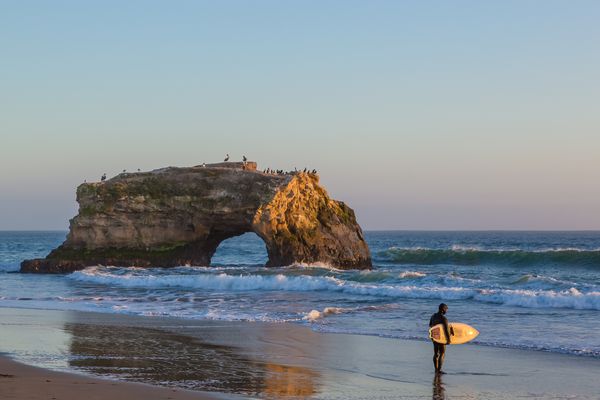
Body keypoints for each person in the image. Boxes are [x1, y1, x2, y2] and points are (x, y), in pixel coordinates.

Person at [429, 303, 451, 374]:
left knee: (436, 353)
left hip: (434, 336)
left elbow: (430, 325)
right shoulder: (443, 318)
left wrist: (432, 335)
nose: (446, 311)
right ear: (443, 309)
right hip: (441, 337)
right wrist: (448, 340)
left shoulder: (433, 316)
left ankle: (436, 369)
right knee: (442, 353)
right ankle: (439, 370)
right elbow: (446, 330)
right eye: (446, 309)